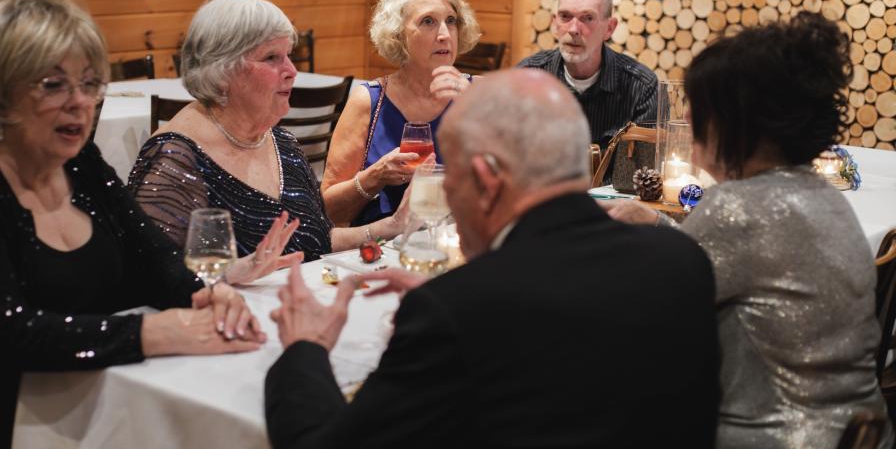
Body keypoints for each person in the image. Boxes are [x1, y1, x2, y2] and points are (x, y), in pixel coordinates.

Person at [264, 70, 720, 448]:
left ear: (486, 180)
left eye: (452, 180)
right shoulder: (682, 260)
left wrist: (305, 348)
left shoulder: (456, 312)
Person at [0, 0, 265, 447]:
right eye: (53, 85)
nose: (80, 102)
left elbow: (151, 255)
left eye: (89, 83)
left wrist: (201, 297)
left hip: (98, 410)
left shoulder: (81, 164)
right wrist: (149, 331)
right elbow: (5, 331)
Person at [605, 12, 893, 449]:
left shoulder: (736, 208)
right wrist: (659, 223)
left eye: (699, 103)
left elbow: (655, 307)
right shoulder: (824, 196)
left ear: (738, 121)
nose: (685, 114)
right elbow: (732, 262)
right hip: (857, 433)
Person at [129, 0, 408, 263]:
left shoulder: (282, 143)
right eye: (271, 58)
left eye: (289, 55)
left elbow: (318, 241)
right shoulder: (176, 160)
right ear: (222, 71)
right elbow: (153, 279)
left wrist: (392, 226)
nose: (291, 70)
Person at [321, 0, 481, 227]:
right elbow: (328, 211)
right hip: (379, 252)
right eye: (428, 21)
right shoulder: (369, 101)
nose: (444, 34)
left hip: (460, 247)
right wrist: (375, 177)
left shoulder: (479, 93)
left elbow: (522, 183)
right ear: (398, 35)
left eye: (451, 21)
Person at [518, 0, 658, 150]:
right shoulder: (527, 77)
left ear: (609, 28)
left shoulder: (641, 88)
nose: (573, 29)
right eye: (565, 16)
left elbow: (641, 172)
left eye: (587, 18)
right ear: (555, 23)